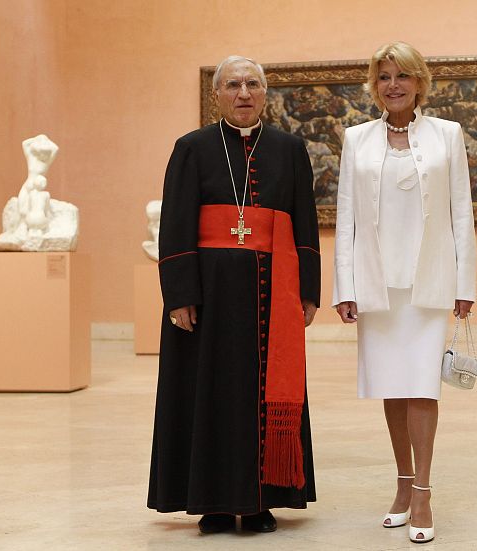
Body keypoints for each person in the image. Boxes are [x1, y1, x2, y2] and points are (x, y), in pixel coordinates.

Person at [147, 55, 321, 535]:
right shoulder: (192, 147)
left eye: (252, 84)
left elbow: (303, 222)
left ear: (265, 93)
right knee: (209, 393)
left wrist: (308, 290)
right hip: (209, 295)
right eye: (233, 85)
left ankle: (261, 500)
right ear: (217, 94)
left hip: (271, 292)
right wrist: (179, 294)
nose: (243, 93)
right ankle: (214, 503)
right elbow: (176, 223)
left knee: (260, 394)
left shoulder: (289, 149)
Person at [332, 41, 477, 544]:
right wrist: (344, 286)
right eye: (384, 77)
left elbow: (462, 213)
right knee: (391, 386)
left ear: (420, 83)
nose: (393, 85)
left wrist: (466, 283)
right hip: (377, 284)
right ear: (375, 86)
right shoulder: (356, 139)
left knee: (422, 384)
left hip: (430, 283)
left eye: (402, 76)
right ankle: (401, 483)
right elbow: (346, 217)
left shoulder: (447, 135)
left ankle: (423, 491)